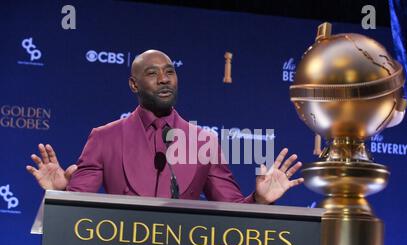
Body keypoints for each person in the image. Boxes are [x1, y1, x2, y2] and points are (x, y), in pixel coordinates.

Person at [26, 50, 304, 204]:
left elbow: (232, 212)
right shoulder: (104, 138)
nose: (164, 79)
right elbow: (78, 211)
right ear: (134, 85)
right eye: (152, 73)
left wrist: (259, 199)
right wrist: (61, 193)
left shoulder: (203, 142)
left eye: (170, 72)